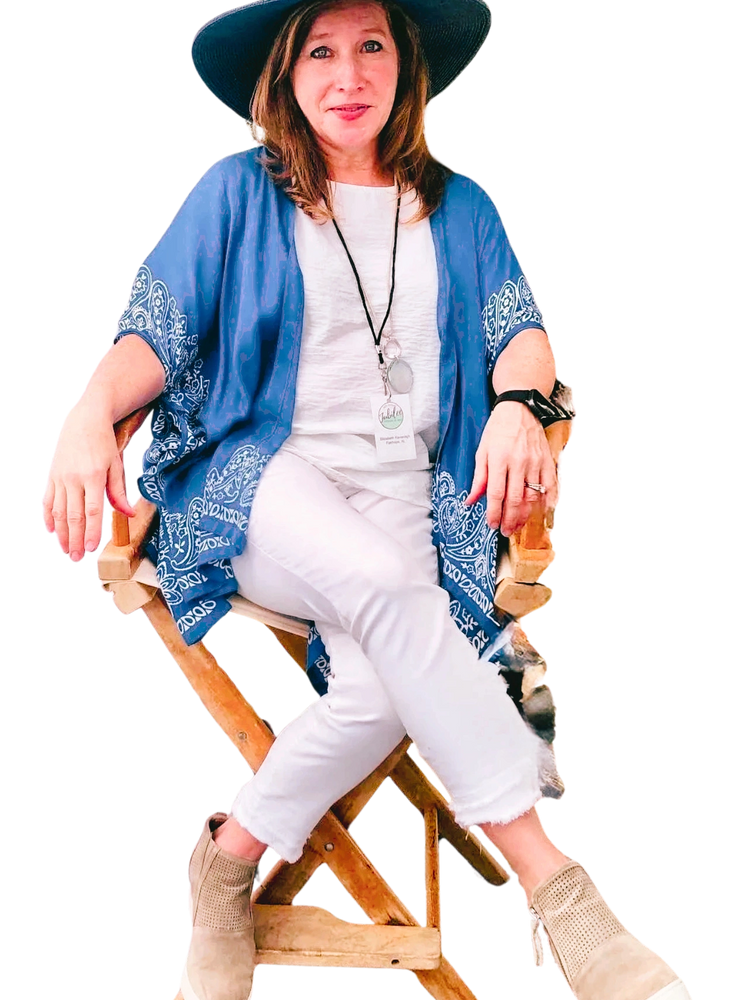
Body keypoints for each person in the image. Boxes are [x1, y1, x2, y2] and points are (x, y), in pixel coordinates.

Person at [38, 2, 694, 999]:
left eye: (371, 46)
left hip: (409, 492)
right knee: (393, 591)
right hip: (260, 479)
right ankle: (559, 889)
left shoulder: (463, 204)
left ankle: (226, 865)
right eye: (321, 51)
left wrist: (519, 405)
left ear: (406, 65)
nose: (348, 76)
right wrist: (86, 412)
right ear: (285, 74)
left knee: (384, 688)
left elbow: (523, 331)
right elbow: (151, 330)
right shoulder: (234, 189)